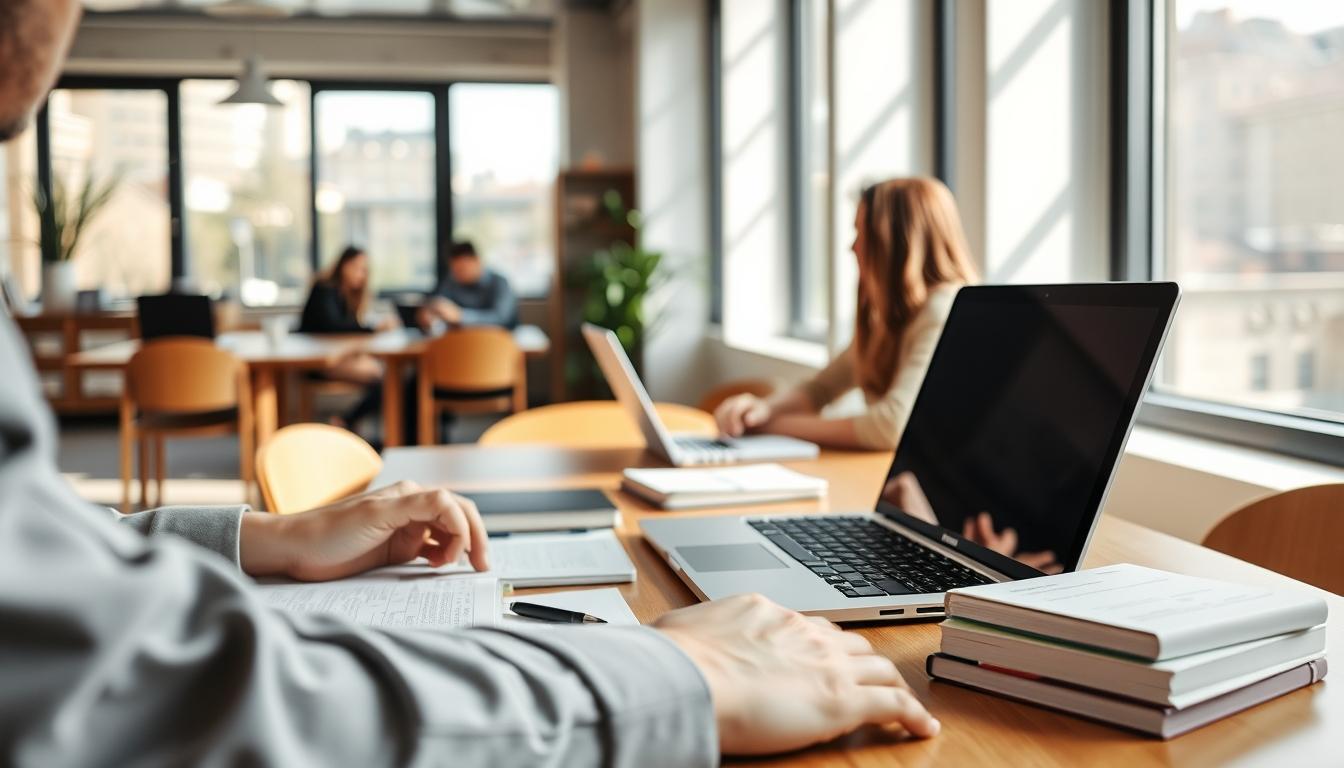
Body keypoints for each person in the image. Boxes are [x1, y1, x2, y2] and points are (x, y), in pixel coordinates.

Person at [0, 2, 940, 764]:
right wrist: (670, 675)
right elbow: (121, 680)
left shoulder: (936, 307)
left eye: (863, 238)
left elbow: (46, 577)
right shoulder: (871, 323)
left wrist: (266, 535)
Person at [716, 177, 979, 451]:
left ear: (893, 243)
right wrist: (761, 409)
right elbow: (820, 389)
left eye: (860, 233)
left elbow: (889, 427)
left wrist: (773, 427)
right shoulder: (899, 316)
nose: (852, 247)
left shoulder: (944, 311)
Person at [298, 245, 393, 431]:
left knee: (389, 375)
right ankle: (347, 422)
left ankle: (350, 423)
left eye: (365, 270)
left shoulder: (347, 295)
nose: (361, 274)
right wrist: (373, 329)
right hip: (319, 361)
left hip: (339, 357)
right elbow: (334, 326)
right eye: (358, 268)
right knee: (383, 377)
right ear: (344, 266)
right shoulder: (324, 289)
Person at [417, 240, 519, 330]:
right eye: (455, 271)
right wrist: (430, 314)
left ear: (477, 261)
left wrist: (460, 316)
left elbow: (502, 318)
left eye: (462, 269)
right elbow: (438, 302)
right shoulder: (451, 281)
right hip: (461, 342)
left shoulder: (500, 282)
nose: (458, 275)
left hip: (498, 343)